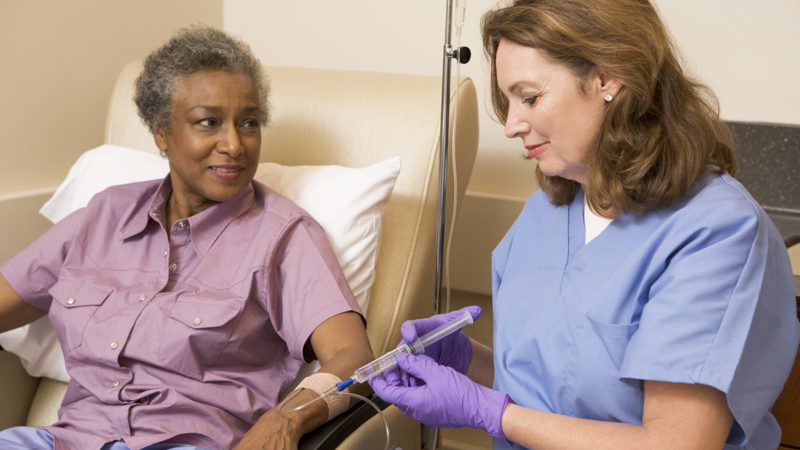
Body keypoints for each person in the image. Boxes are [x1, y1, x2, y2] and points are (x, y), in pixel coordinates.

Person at [370, 1, 799, 449]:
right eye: (509, 100)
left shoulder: (715, 233)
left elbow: (676, 443)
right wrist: (466, 362)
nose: (512, 125)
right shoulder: (544, 216)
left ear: (607, 78)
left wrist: (487, 411)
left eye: (530, 97)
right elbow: (557, 389)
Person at [0, 26, 373, 450]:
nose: (234, 143)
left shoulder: (282, 237)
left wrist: (286, 419)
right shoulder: (103, 215)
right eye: (208, 122)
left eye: (249, 122)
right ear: (162, 132)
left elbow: (354, 358)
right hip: (62, 440)